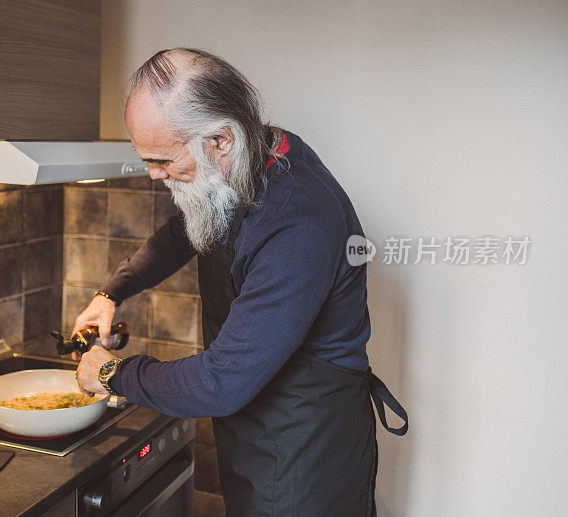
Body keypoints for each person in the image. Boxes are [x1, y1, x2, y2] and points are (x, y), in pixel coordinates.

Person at [75, 48, 408, 516]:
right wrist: (111, 293)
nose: (153, 174)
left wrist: (112, 373)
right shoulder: (246, 158)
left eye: (163, 159)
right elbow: (183, 233)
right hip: (252, 423)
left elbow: (221, 382)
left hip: (307, 447)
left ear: (221, 139)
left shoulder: (299, 220)